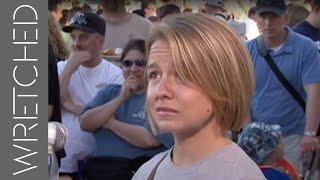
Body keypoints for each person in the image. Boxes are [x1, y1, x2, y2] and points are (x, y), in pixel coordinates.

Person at [132, 13, 265, 180]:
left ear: (224, 83)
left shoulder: (239, 175)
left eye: (181, 75)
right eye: (154, 75)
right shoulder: (147, 171)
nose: (161, 91)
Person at [80, 39, 173, 180]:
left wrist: (110, 123)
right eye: (127, 63)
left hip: (140, 169)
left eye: (140, 63)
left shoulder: (158, 96)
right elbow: (85, 123)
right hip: (102, 169)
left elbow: (149, 140)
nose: (133, 68)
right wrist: (120, 99)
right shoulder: (110, 92)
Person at [248, 0, 320, 175]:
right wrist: (247, 129)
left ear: (285, 17)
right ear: (256, 18)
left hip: (292, 136)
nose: (267, 23)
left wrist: (310, 133)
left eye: (273, 16)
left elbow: (314, 92)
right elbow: (243, 94)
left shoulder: (305, 48)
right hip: (257, 138)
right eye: (263, 16)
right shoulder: (247, 50)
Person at [58, 12, 124, 179]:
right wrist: (69, 69)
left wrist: (72, 106)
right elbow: (51, 104)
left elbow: (109, 118)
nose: (76, 44)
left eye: (83, 37)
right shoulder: (61, 68)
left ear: (100, 42)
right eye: (73, 37)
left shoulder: (114, 74)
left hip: (99, 164)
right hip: (63, 164)